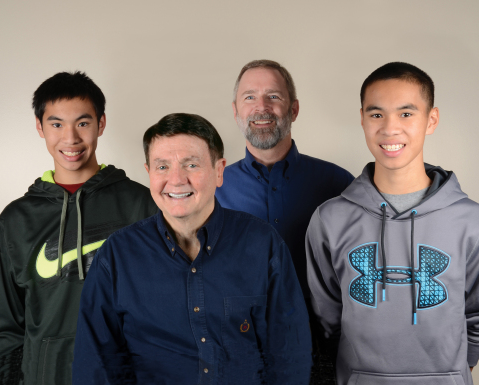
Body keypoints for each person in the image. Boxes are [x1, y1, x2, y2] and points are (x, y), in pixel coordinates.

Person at [72, 113, 312, 384]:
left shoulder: (262, 244)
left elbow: (289, 354)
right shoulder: (117, 255)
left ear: (219, 171)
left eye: (191, 165)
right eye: (162, 167)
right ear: (149, 172)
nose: (176, 180)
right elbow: (96, 363)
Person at [306, 62, 479, 384]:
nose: (389, 128)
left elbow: (477, 315)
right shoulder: (330, 219)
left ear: (432, 120)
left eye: (406, 114)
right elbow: (326, 317)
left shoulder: (471, 221)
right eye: (376, 115)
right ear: (362, 119)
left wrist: (455, 369)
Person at [0, 72, 157, 385]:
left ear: (101, 123)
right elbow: (7, 327)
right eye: (56, 124)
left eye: (83, 123)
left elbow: (161, 308)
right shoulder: (16, 220)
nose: (70, 138)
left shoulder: (142, 205)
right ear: (39, 127)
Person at [215, 59, 354, 382]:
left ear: (294, 109)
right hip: (238, 338)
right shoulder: (214, 187)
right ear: (236, 110)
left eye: (273, 97)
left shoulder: (339, 184)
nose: (261, 107)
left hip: (322, 340)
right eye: (250, 97)